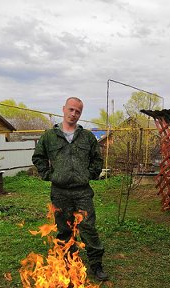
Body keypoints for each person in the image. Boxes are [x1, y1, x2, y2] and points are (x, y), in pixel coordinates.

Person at [32, 97, 109, 281]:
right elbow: (38, 157)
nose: (74, 114)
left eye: (78, 112)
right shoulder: (49, 136)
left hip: (82, 192)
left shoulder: (87, 137)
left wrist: (90, 174)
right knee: (64, 229)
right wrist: (48, 174)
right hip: (60, 193)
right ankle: (68, 263)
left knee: (88, 227)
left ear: (80, 114)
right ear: (64, 109)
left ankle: (96, 265)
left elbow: (97, 159)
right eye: (71, 109)